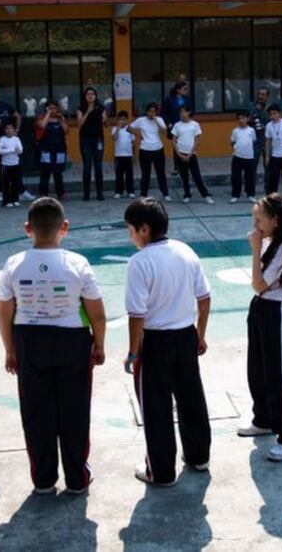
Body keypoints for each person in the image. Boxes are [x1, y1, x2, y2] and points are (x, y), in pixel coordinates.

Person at [0, 198, 107, 494]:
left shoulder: (14, 264)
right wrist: (99, 344)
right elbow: (97, 313)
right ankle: (76, 477)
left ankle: (44, 479)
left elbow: (4, 313)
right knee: (75, 410)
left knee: (36, 412)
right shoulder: (77, 263)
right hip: (73, 342)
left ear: (28, 228)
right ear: (64, 227)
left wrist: (10, 350)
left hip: (29, 341)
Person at [122, 198, 211, 486]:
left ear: (144, 229)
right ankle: (199, 456)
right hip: (185, 335)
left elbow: (137, 314)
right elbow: (204, 298)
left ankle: (160, 471)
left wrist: (133, 352)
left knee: (156, 406)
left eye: (131, 230)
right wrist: (200, 334)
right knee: (191, 397)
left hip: (156, 341)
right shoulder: (185, 251)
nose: (130, 236)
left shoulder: (139, 262)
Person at [240, 193, 282, 461]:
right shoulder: (270, 242)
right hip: (261, 309)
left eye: (259, 219)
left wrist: (255, 250)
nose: (255, 225)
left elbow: (259, 284)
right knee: (258, 370)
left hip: (277, 312)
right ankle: (263, 419)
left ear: (275, 220)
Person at [170, 106, 213, 203]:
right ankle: (187, 194)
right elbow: (173, 141)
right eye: (181, 112)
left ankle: (205, 195)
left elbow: (197, 140)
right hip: (180, 154)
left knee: (196, 176)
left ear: (189, 112)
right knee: (184, 176)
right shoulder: (177, 125)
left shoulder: (195, 125)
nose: (182, 114)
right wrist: (179, 154)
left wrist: (190, 154)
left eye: (184, 112)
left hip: (192, 154)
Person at [130, 103, 171, 201]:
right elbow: (129, 128)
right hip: (145, 149)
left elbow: (165, 132)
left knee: (160, 172)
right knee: (145, 173)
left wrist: (156, 121)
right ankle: (143, 194)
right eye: (150, 111)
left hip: (158, 148)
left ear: (156, 112)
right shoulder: (141, 120)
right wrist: (139, 135)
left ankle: (165, 193)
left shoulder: (159, 119)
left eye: (153, 111)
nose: (151, 113)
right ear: (146, 111)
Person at [77, 87, 107, 201]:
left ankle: (100, 193)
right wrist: (88, 112)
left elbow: (105, 122)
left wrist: (105, 120)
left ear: (95, 96)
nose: (90, 96)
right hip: (85, 139)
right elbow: (79, 124)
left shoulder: (100, 107)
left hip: (98, 139)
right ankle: (86, 194)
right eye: (88, 94)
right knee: (87, 166)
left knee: (98, 166)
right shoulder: (81, 108)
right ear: (85, 96)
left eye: (92, 94)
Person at [35, 101, 69, 199]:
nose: (53, 110)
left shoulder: (60, 119)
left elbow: (66, 131)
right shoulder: (41, 118)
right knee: (45, 172)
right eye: (50, 108)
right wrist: (48, 114)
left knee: (58, 172)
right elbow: (42, 125)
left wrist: (62, 120)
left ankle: (61, 193)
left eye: (54, 108)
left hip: (59, 150)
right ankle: (43, 193)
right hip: (46, 150)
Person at [230, 110, 257, 203]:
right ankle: (235, 195)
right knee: (236, 176)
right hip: (237, 156)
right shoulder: (235, 131)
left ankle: (250, 194)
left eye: (243, 118)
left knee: (250, 177)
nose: (241, 120)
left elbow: (254, 141)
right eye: (239, 119)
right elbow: (232, 142)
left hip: (249, 157)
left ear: (248, 119)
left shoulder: (251, 130)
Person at [0, 122, 24, 207]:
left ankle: (15, 199)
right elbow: (0, 151)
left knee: (15, 183)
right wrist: (13, 150)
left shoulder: (16, 139)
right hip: (5, 164)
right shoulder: (2, 139)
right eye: (7, 128)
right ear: (4, 130)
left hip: (15, 164)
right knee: (6, 183)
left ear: (13, 130)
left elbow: (20, 150)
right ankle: (6, 201)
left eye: (11, 128)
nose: (9, 130)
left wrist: (11, 150)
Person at [112, 111, 136, 200]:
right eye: (121, 119)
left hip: (128, 155)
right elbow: (114, 138)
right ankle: (118, 191)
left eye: (124, 119)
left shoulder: (130, 130)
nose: (123, 121)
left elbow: (133, 144)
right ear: (118, 120)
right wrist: (118, 127)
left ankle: (130, 191)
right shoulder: (114, 129)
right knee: (119, 175)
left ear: (127, 120)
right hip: (118, 155)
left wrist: (134, 155)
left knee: (129, 174)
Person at [249, 88, 271, 175]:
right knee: (252, 167)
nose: (260, 96)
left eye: (263, 94)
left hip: (267, 142)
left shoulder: (271, 110)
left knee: (269, 167)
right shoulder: (252, 109)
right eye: (259, 94)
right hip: (255, 142)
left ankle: (268, 184)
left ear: (267, 96)